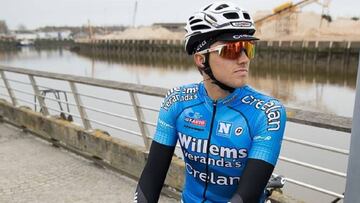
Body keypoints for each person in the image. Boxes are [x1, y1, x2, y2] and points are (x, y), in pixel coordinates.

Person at [134, 1, 287, 203]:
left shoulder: (266, 112)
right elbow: (152, 177)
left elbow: (245, 197)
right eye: (232, 50)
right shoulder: (177, 101)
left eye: (247, 49)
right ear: (200, 59)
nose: (243, 59)